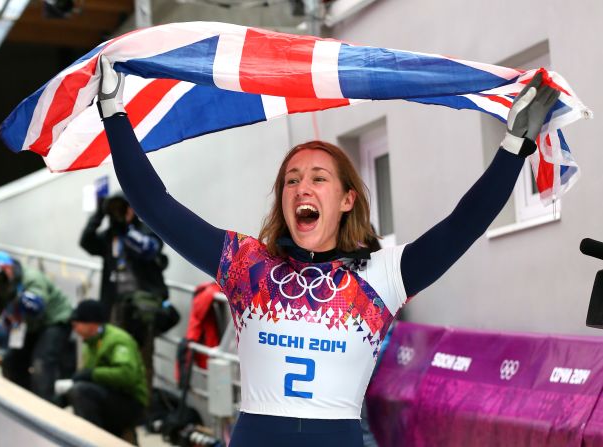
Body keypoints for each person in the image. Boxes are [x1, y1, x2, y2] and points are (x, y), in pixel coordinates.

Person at [96, 56, 559, 447]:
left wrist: (514, 147)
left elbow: (464, 225)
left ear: (346, 200)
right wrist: (114, 114)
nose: (302, 188)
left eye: (318, 178)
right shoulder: (245, 264)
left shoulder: (383, 274)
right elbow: (155, 205)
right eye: (291, 180)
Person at [79, 192, 169, 389]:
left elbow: (150, 249)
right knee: (114, 355)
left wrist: (127, 228)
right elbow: (86, 241)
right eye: (114, 209)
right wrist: (99, 214)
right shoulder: (109, 236)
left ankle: (142, 409)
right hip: (115, 307)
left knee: (142, 359)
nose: (118, 213)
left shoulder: (146, 228)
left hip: (142, 309)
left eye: (122, 207)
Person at [0, 251, 73, 403]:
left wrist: (16, 294)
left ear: (9, 267)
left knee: (42, 363)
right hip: (28, 326)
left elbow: (36, 308)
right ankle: (23, 402)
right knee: (11, 362)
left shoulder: (31, 277)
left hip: (53, 321)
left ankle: (46, 407)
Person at [65, 299, 148, 442]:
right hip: (110, 396)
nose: (75, 329)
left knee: (81, 392)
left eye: (76, 324)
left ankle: (94, 442)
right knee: (76, 392)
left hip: (130, 402)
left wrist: (92, 374)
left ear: (91, 324)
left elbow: (127, 375)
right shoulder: (90, 343)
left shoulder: (118, 340)